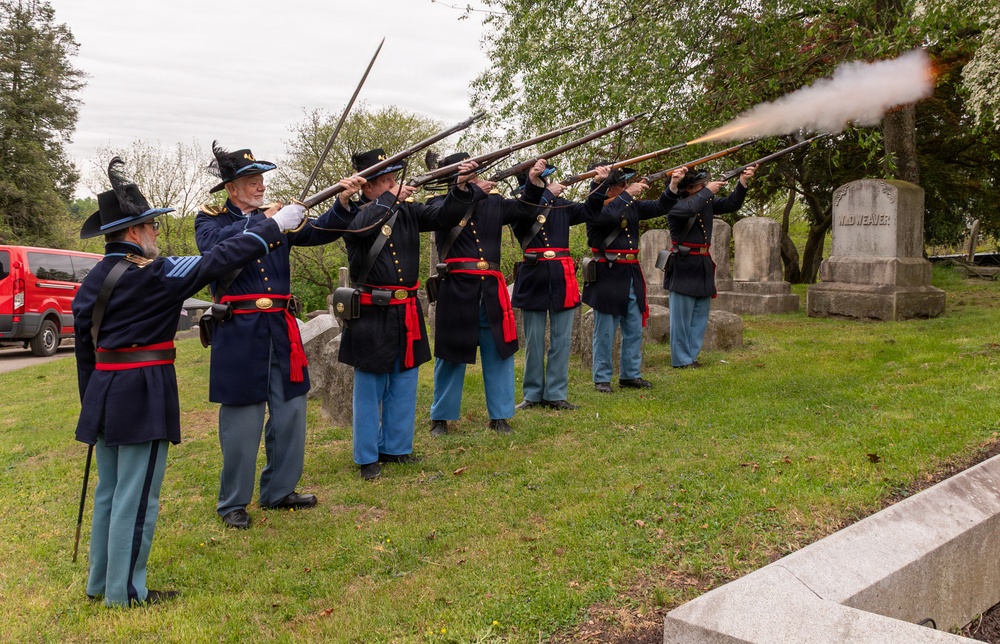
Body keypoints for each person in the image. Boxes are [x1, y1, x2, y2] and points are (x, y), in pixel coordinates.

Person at [74, 158, 305, 606]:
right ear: (134, 232)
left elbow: (86, 350)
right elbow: (217, 260)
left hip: (104, 392)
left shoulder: (93, 278)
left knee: (109, 491)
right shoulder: (153, 274)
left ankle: (100, 581)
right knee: (138, 495)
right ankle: (125, 592)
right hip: (141, 389)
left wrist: (92, 405)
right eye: (152, 228)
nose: (158, 234)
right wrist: (273, 227)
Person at [195, 142, 354, 529]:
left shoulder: (278, 217)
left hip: (281, 328)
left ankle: (279, 491)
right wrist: (271, 222)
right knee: (241, 424)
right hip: (238, 330)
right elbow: (219, 249)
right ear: (231, 189)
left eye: (261, 179)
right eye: (251, 181)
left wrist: (345, 203)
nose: (260, 186)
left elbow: (322, 232)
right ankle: (233, 502)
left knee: (291, 414)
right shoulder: (210, 220)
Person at [333, 149, 476, 480]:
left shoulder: (407, 211)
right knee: (369, 388)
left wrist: (460, 187)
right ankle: (367, 456)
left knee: (404, 381)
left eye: (394, 179)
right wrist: (391, 198)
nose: (394, 185)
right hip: (371, 310)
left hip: (406, 309)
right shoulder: (356, 214)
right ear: (366, 187)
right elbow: (359, 229)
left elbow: (445, 217)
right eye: (386, 181)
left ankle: (396, 448)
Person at [428, 155, 548, 436]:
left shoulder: (493, 202)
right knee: (451, 356)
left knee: (499, 353)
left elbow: (525, 209)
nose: (476, 176)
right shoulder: (438, 204)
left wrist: (532, 182)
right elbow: (446, 214)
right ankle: (440, 417)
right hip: (457, 289)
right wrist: (462, 187)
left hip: (491, 290)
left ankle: (500, 415)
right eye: (468, 173)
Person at [510, 163, 611, 410]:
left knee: (562, 339)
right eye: (540, 180)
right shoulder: (520, 205)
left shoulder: (560, 203)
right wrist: (545, 194)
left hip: (561, 276)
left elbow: (590, 211)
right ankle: (533, 394)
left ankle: (556, 393)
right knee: (534, 342)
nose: (546, 182)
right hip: (534, 275)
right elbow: (526, 215)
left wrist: (599, 184)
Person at [582, 165, 682, 393]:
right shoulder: (596, 208)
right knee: (605, 332)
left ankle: (630, 374)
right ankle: (602, 378)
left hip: (630, 274)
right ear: (607, 190)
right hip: (608, 273)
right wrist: (628, 195)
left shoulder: (629, 205)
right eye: (621, 185)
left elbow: (661, 206)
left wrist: (673, 184)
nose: (627, 187)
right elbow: (608, 217)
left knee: (634, 329)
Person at [665, 165, 756, 368]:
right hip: (684, 264)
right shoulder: (674, 205)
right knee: (681, 319)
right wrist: (708, 192)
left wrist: (742, 182)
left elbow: (732, 204)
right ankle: (680, 359)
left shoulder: (704, 200)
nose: (704, 185)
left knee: (699, 314)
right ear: (688, 189)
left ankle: (692, 356)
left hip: (703, 263)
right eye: (700, 184)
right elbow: (689, 208)